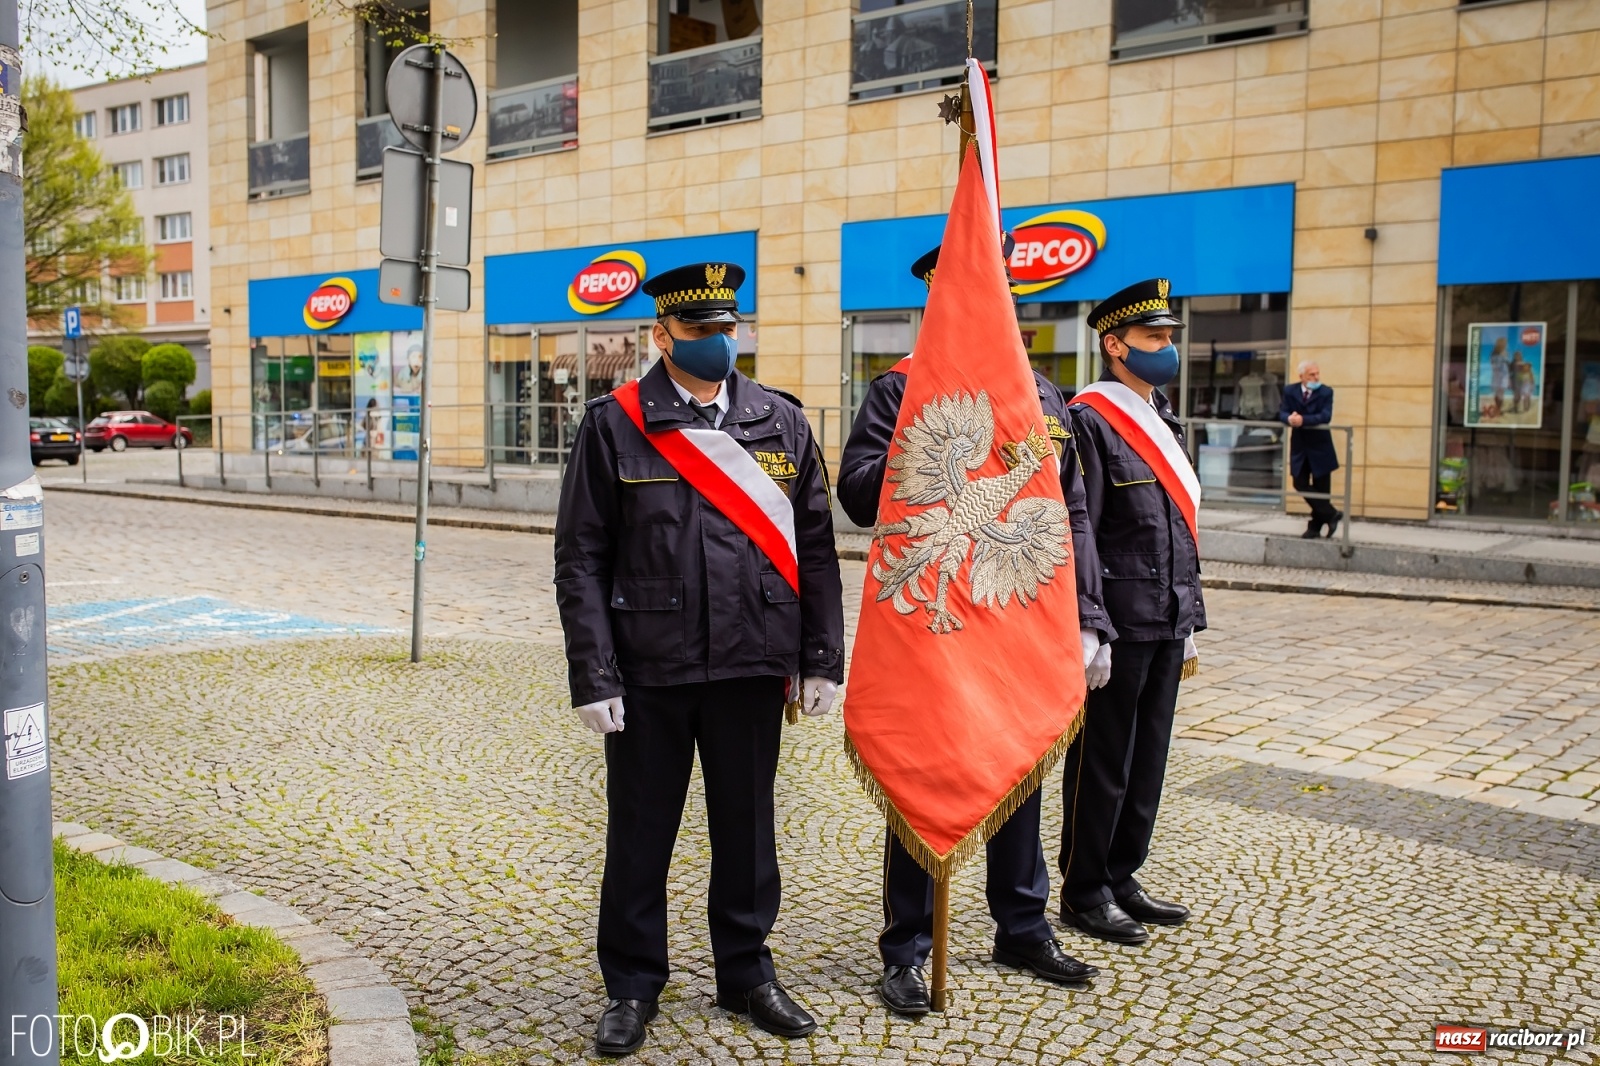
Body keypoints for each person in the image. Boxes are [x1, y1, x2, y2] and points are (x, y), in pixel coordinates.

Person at [553, 262, 846, 1056]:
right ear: (662, 335)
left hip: (753, 663)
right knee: (641, 833)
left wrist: (822, 656)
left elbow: (815, 547)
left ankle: (747, 971)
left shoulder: (780, 422)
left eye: (729, 328)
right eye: (700, 331)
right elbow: (581, 556)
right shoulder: (613, 423)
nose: (719, 343)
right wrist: (594, 673)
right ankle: (633, 985)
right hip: (652, 667)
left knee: (749, 833)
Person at [837, 242, 1114, 1018]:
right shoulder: (897, 390)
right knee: (926, 772)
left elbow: (1074, 518)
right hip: (933, 625)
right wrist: (920, 429)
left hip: (1018, 621)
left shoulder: (1044, 399)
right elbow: (859, 495)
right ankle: (908, 947)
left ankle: (1021, 924)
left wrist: (1089, 619)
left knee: (1020, 761)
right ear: (937, 291)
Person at [1059, 278, 1204, 947]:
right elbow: (1080, 527)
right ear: (1114, 345)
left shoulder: (1163, 414)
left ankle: (1123, 875)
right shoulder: (1088, 419)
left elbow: (1175, 522)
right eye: (1154, 338)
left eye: (1169, 336)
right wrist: (1091, 626)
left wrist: (1190, 614)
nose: (1166, 346)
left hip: (1168, 612)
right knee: (1104, 761)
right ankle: (1085, 888)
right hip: (1119, 618)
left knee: (1148, 759)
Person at [1278, 360, 1341, 538]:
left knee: (1322, 489)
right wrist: (1290, 418)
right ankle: (1331, 514)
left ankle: (1315, 527)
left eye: (1317, 373)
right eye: (1312, 374)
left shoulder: (1326, 392)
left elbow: (1325, 416)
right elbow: (1282, 412)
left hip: (1321, 447)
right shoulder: (1290, 391)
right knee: (1300, 482)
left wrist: (1303, 420)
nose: (1316, 377)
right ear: (1302, 377)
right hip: (1300, 447)